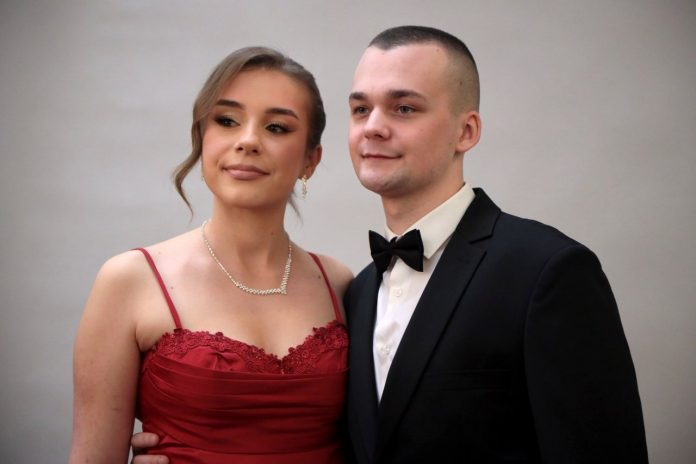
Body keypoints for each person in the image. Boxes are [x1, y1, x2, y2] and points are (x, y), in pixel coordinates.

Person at [132, 26, 649, 463]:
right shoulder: (356, 291)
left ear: (466, 131)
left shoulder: (547, 271)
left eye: (403, 108)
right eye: (361, 109)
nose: (374, 128)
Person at [70, 46, 353, 463]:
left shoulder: (340, 284)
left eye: (276, 127)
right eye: (226, 121)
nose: (248, 141)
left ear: (311, 160)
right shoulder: (130, 280)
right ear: (202, 138)